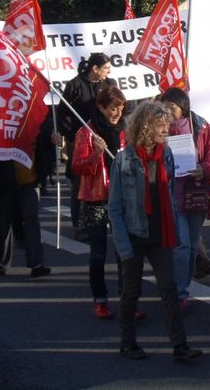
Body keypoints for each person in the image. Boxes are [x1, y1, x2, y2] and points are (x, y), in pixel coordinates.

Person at [109, 100, 202, 362]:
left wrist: (173, 227)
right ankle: (127, 343)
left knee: (169, 289)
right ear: (145, 126)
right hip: (134, 233)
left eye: (166, 125)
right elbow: (114, 207)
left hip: (160, 232)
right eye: (161, 125)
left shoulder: (167, 155)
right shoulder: (124, 160)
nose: (166, 130)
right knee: (131, 291)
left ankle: (180, 346)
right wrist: (123, 246)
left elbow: (170, 194)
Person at [157, 87, 210, 312]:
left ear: (183, 108)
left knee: (193, 244)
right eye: (164, 106)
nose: (167, 111)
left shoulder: (202, 127)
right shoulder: (156, 128)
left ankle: (183, 287)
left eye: (172, 107)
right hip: (169, 195)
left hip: (195, 193)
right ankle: (179, 292)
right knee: (181, 244)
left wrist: (203, 169)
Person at [72, 84, 128, 319]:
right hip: (95, 198)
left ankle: (127, 300)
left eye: (121, 107)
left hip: (122, 198)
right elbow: (77, 166)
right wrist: (96, 154)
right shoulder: (86, 132)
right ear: (101, 107)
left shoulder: (126, 131)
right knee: (98, 252)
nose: (118, 113)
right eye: (113, 108)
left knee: (125, 251)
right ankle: (100, 300)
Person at [0, 117, 53, 279]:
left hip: (29, 180)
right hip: (4, 181)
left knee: (32, 220)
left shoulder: (34, 121)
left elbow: (43, 145)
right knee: (4, 221)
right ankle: (1, 262)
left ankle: (36, 263)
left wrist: (54, 140)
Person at [59, 53, 116, 234]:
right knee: (79, 183)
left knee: (109, 180)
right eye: (106, 68)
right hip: (82, 140)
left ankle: (111, 219)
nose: (109, 71)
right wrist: (70, 136)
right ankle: (80, 225)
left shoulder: (109, 84)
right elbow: (63, 112)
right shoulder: (75, 85)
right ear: (95, 69)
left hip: (106, 139)